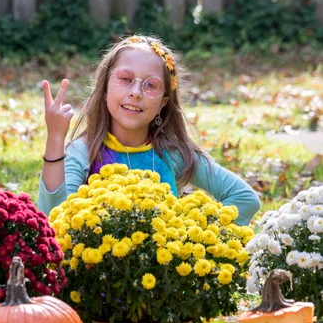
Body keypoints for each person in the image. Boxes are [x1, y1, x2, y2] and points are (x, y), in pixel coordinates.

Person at [38, 34, 260, 226]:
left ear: (163, 103)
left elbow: (244, 199)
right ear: (105, 88)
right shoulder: (84, 152)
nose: (136, 92)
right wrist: (56, 138)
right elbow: (55, 220)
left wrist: (194, 236)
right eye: (125, 79)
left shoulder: (173, 153)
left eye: (151, 85)